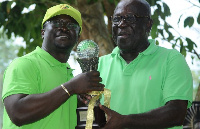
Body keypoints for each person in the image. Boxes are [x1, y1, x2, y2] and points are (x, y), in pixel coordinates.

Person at [2, 4, 104, 129]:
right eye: (57, 23)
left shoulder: (69, 75)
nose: (64, 28)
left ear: (78, 37)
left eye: (71, 26)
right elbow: (17, 113)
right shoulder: (25, 64)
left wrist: (81, 101)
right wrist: (70, 88)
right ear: (43, 33)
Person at [98, 0, 193, 129]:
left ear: (148, 24)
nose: (121, 24)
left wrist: (125, 121)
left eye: (130, 18)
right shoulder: (99, 65)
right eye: (116, 19)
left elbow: (176, 113)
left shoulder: (171, 59)